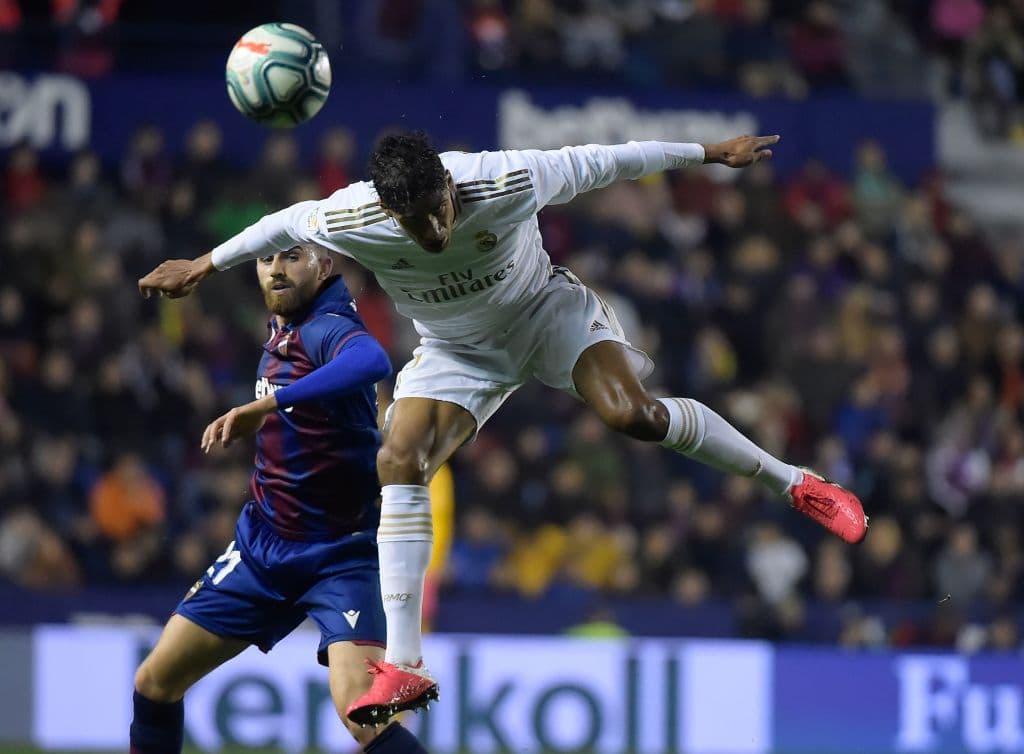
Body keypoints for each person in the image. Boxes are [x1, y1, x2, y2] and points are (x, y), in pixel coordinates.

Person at [138, 131, 869, 725]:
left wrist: (709, 153)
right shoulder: (351, 216)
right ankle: (405, 664)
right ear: (387, 211)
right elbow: (283, 222)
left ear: (447, 184)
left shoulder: (505, 177)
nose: (432, 231)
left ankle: (797, 484)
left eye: (437, 210)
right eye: (413, 222)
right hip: (457, 352)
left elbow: (613, 159)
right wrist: (204, 264)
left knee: (634, 415)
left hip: (544, 315)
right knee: (398, 459)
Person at [131, 244, 429, 754]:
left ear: (324, 266)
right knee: (154, 682)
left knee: (363, 715)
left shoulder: (327, 325)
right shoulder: (285, 327)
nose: (276, 270)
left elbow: (372, 359)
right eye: (266, 260)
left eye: (292, 257)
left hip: (340, 556)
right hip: (262, 547)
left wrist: (268, 404)